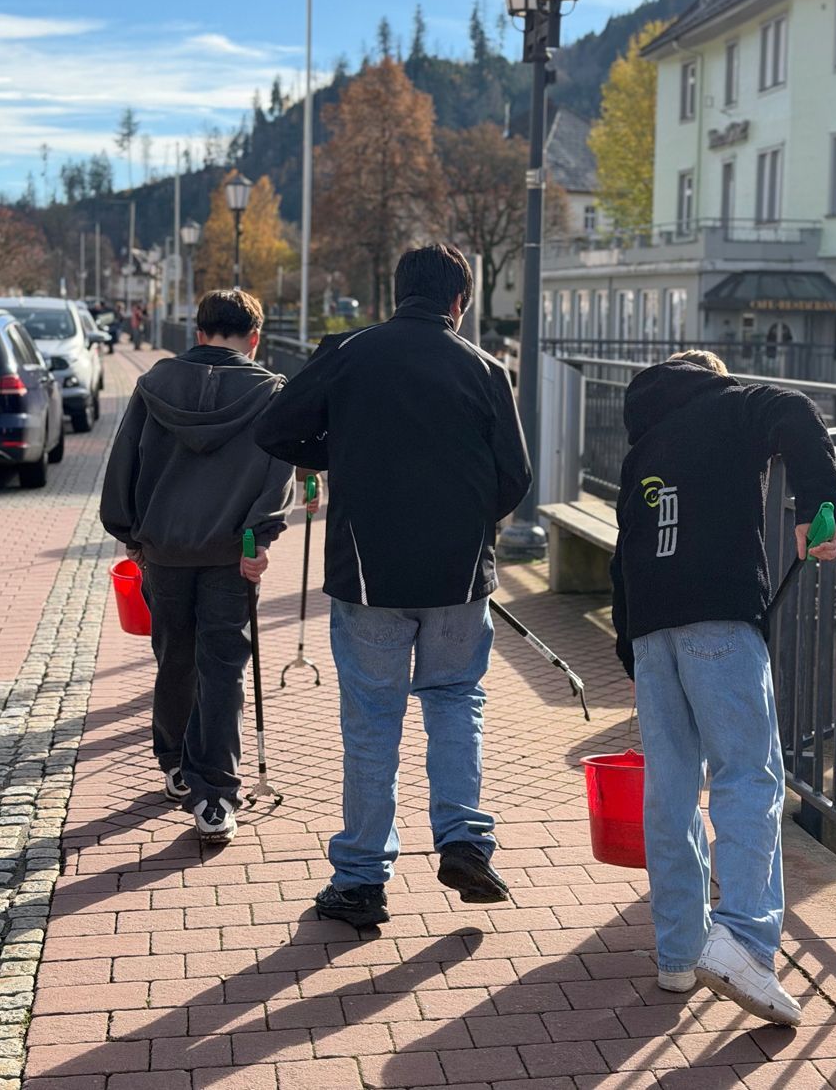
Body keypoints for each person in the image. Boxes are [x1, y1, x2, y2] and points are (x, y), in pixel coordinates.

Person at [255, 243, 531, 929]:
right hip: (460, 575)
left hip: (367, 570)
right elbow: (516, 476)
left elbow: (276, 428)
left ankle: (360, 879)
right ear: (458, 303)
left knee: (372, 720)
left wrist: (337, 449)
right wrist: (471, 524)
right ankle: (464, 838)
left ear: (396, 291)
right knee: (455, 699)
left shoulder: (350, 353)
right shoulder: (486, 368)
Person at [611, 349, 836, 1025]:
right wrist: (817, 504)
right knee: (747, 776)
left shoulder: (642, 444)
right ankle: (743, 937)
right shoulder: (734, 404)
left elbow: (623, 551)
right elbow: (798, 412)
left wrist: (632, 643)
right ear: (713, 375)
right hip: (720, 614)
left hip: (652, 631)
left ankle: (679, 952)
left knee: (672, 787)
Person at [100, 289, 295, 845]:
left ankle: (176, 764)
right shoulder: (269, 391)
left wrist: (129, 533)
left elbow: (125, 463)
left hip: (163, 549)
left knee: (174, 655)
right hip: (230, 554)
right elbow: (276, 477)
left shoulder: (153, 385)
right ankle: (216, 795)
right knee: (224, 664)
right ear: (254, 338)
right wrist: (259, 540)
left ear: (198, 331)